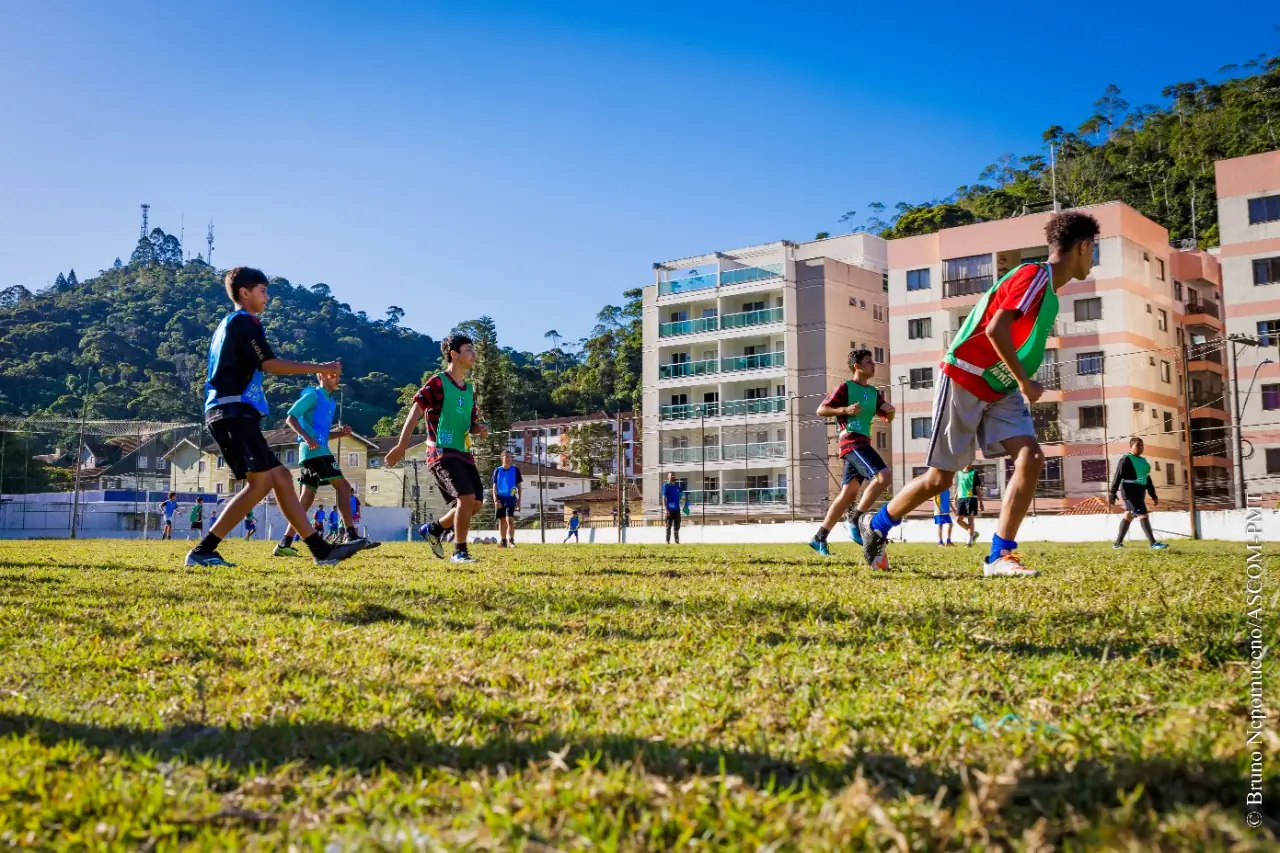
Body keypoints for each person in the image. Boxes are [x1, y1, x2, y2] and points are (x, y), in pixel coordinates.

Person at [858, 211, 1101, 577]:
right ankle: (876, 525)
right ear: (1083, 247)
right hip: (966, 377)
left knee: (1031, 457)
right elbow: (996, 330)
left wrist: (1014, 380)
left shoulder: (1048, 292)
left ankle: (999, 555)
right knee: (940, 479)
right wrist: (1023, 381)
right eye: (1093, 249)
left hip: (999, 387)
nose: (1093, 258)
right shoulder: (1034, 276)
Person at [184, 266, 365, 568]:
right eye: (262, 290)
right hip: (232, 410)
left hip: (229, 410)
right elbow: (269, 363)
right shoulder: (245, 321)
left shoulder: (229, 324)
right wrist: (319, 366)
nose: (267, 297)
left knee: (270, 480)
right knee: (269, 479)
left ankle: (207, 550)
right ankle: (319, 550)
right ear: (244, 292)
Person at [387, 333, 490, 563]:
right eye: (468, 350)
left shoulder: (469, 389)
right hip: (441, 452)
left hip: (464, 452)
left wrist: (479, 428)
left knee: (475, 504)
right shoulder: (437, 382)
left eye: (473, 349)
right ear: (454, 354)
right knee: (466, 497)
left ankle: (433, 529)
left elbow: (471, 423)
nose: (474, 354)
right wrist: (402, 445)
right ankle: (459, 551)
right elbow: (415, 409)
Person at [808, 348, 895, 556]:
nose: (873, 365)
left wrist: (890, 412)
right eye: (868, 362)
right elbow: (821, 410)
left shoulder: (874, 393)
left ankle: (819, 537)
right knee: (884, 476)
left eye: (873, 361)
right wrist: (844, 410)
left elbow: (886, 416)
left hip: (863, 441)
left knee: (849, 493)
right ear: (857, 366)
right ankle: (855, 520)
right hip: (851, 441)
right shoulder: (845, 388)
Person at [274, 374, 373, 557]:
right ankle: (351, 536)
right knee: (343, 486)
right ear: (321, 376)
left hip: (316, 449)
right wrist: (307, 437)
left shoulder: (331, 402)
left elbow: (323, 433)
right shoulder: (313, 395)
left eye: (338, 375)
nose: (337, 378)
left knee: (307, 498)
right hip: (315, 451)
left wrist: (340, 434)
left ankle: (284, 543)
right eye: (332, 374)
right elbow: (291, 418)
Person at [1110, 436, 1169, 549]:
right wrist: (1112, 493)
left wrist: (1153, 495)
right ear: (1131, 447)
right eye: (1138, 445)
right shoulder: (1126, 459)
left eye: (1142, 445)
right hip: (1129, 490)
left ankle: (1117, 544)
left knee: (1128, 515)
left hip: (1140, 491)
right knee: (1143, 513)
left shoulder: (1144, 461)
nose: (1141, 447)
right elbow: (1118, 476)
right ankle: (1153, 543)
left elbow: (1148, 480)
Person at [492, 450, 523, 548]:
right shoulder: (497, 470)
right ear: (502, 458)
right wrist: (496, 500)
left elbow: (519, 487)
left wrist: (519, 500)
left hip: (511, 497)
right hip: (500, 498)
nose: (509, 459)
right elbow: (494, 487)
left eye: (510, 457)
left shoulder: (515, 470)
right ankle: (503, 541)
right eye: (506, 456)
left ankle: (511, 541)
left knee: (509, 519)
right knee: (502, 520)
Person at [954, 464, 984, 547]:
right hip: (961, 498)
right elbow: (959, 485)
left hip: (971, 498)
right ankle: (973, 533)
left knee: (970, 520)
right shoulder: (959, 472)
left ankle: (969, 542)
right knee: (958, 520)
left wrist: (981, 502)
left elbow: (978, 489)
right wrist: (955, 497)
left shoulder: (974, 473)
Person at [662, 472, 683, 544]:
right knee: (668, 527)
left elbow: (682, 496)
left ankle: (677, 541)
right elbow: (664, 498)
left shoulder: (677, 487)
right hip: (669, 510)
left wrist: (683, 499)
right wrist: (666, 509)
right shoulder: (666, 486)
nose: (673, 477)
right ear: (668, 477)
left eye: (674, 475)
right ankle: (667, 541)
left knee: (677, 526)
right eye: (671, 476)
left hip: (677, 510)